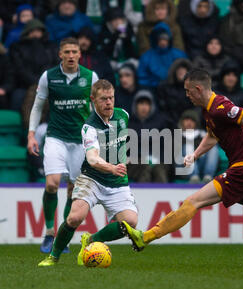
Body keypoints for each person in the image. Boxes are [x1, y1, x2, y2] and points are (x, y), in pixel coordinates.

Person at [121, 68, 243, 269]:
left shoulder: (220, 107)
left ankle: (145, 237)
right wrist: (195, 154)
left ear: (198, 89)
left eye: (188, 91)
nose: (187, 95)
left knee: (193, 202)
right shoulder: (211, 109)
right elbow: (212, 136)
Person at [37, 79, 138, 267]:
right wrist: (113, 167)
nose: (108, 102)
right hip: (92, 179)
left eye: (111, 98)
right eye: (103, 99)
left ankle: (91, 241)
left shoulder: (123, 115)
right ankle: (54, 256)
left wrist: (124, 159)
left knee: (131, 222)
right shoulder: (89, 127)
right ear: (93, 100)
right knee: (74, 217)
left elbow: (121, 143)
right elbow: (92, 159)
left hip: (117, 183)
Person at [27, 37, 99, 254]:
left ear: (79, 54)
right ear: (60, 54)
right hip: (56, 137)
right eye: (66, 51)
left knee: (72, 191)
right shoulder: (48, 77)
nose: (70, 56)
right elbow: (38, 106)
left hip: (80, 141)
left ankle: (63, 237)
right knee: (52, 184)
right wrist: (31, 134)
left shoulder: (90, 77)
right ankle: (49, 233)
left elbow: (98, 110)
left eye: (74, 52)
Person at [9, 18, 59, 111]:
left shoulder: (52, 47)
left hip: (48, 84)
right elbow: (19, 68)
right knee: (17, 98)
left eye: (38, 31)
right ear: (27, 32)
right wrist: (35, 82)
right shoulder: (17, 47)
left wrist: (42, 82)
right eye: (32, 31)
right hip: (24, 85)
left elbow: (54, 66)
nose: (35, 34)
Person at [127, 89, 173, 183]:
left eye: (147, 104)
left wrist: (159, 158)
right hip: (135, 161)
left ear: (151, 106)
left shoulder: (161, 122)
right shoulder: (128, 124)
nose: (144, 107)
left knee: (159, 170)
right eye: (141, 103)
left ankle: (162, 196)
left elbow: (166, 146)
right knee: (145, 166)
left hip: (158, 160)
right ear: (135, 105)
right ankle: (143, 197)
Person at [137, 22, 187, 89]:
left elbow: (186, 75)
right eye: (160, 39)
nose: (163, 42)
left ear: (169, 39)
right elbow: (142, 79)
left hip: (176, 90)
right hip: (154, 90)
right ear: (155, 39)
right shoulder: (146, 57)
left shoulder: (179, 55)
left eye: (165, 39)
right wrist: (156, 84)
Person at [175, 109, 219, 183]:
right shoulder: (177, 136)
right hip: (184, 167)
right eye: (186, 120)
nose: (189, 122)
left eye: (192, 120)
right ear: (182, 121)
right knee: (187, 147)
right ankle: (193, 176)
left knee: (213, 148)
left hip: (202, 164)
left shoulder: (203, 135)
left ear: (196, 123)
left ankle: (208, 176)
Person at [156, 58, 197, 126]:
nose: (181, 72)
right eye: (179, 70)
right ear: (174, 71)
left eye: (184, 70)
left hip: (189, 123)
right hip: (168, 124)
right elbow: (161, 109)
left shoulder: (194, 89)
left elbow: (197, 108)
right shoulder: (164, 87)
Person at [97, 7, 138, 72]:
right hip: (112, 63)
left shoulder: (130, 31)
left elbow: (134, 54)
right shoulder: (104, 34)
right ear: (109, 22)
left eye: (120, 19)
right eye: (114, 20)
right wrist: (113, 39)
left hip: (128, 61)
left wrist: (127, 40)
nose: (117, 22)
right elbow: (103, 54)